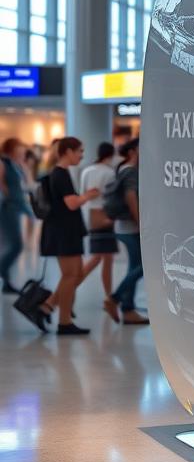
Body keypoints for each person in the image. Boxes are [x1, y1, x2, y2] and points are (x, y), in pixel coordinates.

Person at [37, 137, 99, 335]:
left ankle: (48, 305)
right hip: (63, 232)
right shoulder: (60, 174)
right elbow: (71, 203)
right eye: (79, 151)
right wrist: (88, 196)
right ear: (68, 152)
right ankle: (63, 322)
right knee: (70, 275)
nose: (82, 155)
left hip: (66, 231)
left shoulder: (60, 173)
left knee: (76, 274)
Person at [109, 138, 148, 325]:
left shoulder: (123, 168)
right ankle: (115, 299)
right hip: (130, 227)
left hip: (125, 226)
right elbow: (130, 196)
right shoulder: (131, 171)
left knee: (134, 266)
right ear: (133, 151)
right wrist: (140, 222)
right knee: (143, 267)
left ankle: (128, 309)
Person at [79, 142, 120, 319]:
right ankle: (72, 287)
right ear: (110, 155)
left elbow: (83, 193)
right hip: (104, 217)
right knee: (101, 258)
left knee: (103, 258)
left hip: (89, 216)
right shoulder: (110, 173)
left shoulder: (87, 171)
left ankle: (108, 296)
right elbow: (111, 197)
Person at [1, 137, 32, 293]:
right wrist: (10, 199)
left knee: (12, 245)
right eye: (20, 147)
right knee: (16, 245)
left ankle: (6, 282)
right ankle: (3, 271)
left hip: (16, 206)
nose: (23, 150)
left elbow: (28, 183)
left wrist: (23, 164)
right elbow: (2, 185)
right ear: (12, 148)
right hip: (8, 207)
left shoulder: (16, 164)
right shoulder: (3, 163)